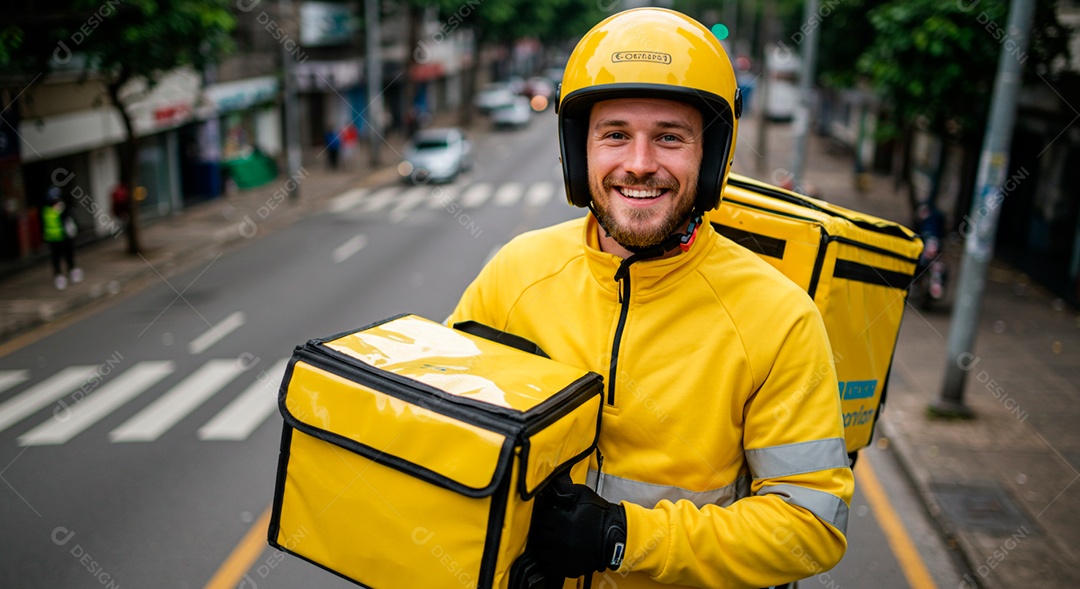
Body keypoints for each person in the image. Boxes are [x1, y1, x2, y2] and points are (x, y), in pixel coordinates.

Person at [447, 8, 853, 589]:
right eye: (615, 135)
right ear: (579, 150)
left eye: (670, 137)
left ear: (711, 156)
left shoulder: (780, 317)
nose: (639, 164)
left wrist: (621, 537)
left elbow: (810, 527)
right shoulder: (515, 273)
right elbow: (441, 428)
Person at [41, 186, 82, 290]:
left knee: (69, 255)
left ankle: (72, 271)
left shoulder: (63, 208)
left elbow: (70, 219)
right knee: (56, 258)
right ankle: (59, 276)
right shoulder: (47, 210)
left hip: (64, 237)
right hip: (54, 239)